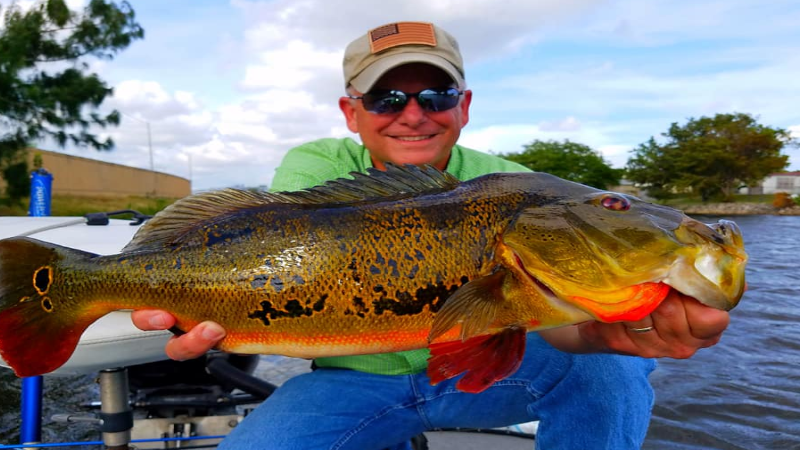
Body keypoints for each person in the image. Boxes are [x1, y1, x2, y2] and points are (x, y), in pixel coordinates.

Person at [132, 21, 730, 449]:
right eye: (386, 97)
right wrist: (207, 316)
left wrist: (606, 332)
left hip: (490, 381)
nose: (413, 114)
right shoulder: (314, 166)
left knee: (612, 372)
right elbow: (278, 252)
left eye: (435, 95)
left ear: (463, 105)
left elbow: (557, 320)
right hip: (353, 383)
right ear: (352, 111)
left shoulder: (517, 188)